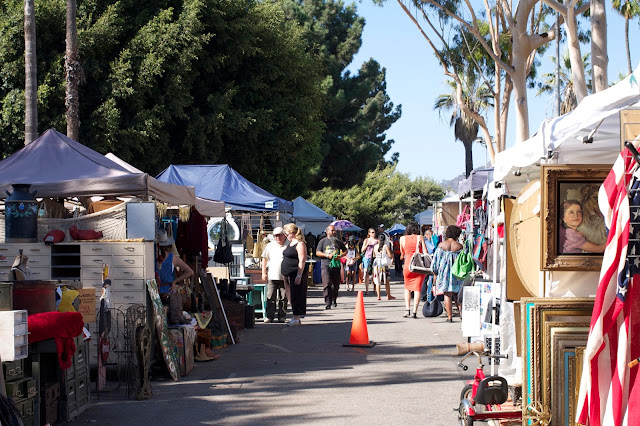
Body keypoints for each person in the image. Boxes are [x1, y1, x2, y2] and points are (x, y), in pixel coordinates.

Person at [156, 229, 194, 324]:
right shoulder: (172, 257)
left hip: (156, 291)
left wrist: (175, 281)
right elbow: (190, 272)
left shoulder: (153, 257)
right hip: (167, 290)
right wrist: (175, 281)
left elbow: (190, 272)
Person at [431, 225, 464, 322]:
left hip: (444, 273)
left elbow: (435, 262)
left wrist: (435, 274)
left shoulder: (441, 245)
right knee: (457, 294)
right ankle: (462, 314)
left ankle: (449, 317)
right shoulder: (460, 246)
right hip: (457, 273)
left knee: (447, 294)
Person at [281, 224, 308, 326]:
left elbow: (302, 260)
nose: (286, 235)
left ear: (292, 233)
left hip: (295, 273)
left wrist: (299, 275)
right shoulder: (290, 244)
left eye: (287, 233)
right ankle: (294, 316)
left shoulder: (300, 244)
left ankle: (297, 317)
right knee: (290, 296)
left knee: (296, 295)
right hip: (287, 273)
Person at [399, 222, 427, 318]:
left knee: (407, 288)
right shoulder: (420, 237)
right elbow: (425, 252)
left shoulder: (402, 239)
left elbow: (402, 253)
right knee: (417, 289)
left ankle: (407, 310)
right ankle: (415, 312)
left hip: (408, 265)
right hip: (418, 266)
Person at [261, 227, 289, 323]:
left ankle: (282, 316)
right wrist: (263, 272)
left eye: (279, 235)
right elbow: (264, 259)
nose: (278, 238)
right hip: (272, 275)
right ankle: (269, 316)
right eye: (276, 236)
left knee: (283, 297)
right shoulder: (270, 245)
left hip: (285, 275)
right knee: (270, 297)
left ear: (284, 235)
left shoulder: (289, 244)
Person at [316, 225, 347, 309]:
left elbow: (345, 251)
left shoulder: (338, 241)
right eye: (332, 230)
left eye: (334, 231)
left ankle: (334, 299)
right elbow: (317, 252)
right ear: (327, 231)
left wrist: (340, 256)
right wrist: (326, 255)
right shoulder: (323, 241)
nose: (333, 232)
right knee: (327, 283)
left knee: (336, 283)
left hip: (336, 264)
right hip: (325, 264)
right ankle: (328, 302)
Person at [373, 233, 396, 301]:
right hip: (384, 264)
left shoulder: (375, 247)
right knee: (387, 280)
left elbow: (374, 255)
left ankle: (378, 296)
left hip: (377, 264)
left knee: (377, 281)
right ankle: (388, 295)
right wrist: (391, 257)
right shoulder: (385, 246)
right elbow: (390, 255)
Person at [360, 228, 378, 294]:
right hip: (367, 257)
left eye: (374, 232)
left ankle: (375, 288)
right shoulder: (366, 240)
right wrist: (367, 244)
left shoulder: (377, 240)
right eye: (372, 232)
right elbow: (362, 250)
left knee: (375, 273)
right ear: (369, 233)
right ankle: (367, 290)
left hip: (375, 258)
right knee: (367, 273)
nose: (374, 234)